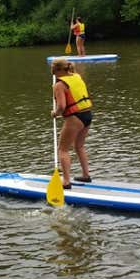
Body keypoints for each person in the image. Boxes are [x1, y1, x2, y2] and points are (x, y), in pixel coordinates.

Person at [50, 58, 92, 189]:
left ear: (56, 69)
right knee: (79, 146)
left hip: (75, 118)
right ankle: (86, 175)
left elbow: (62, 106)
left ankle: (66, 182)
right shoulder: (76, 76)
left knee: (63, 149)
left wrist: (55, 113)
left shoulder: (59, 85)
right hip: (87, 115)